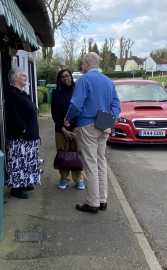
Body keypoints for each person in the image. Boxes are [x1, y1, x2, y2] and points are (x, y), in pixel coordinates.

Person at [64, 52, 121, 213]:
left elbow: (76, 105)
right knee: (101, 162)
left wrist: (67, 119)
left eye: (83, 63)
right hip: (104, 126)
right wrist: (110, 121)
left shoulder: (84, 79)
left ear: (88, 63)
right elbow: (117, 104)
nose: (82, 66)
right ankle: (103, 200)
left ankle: (92, 203)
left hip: (88, 124)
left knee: (90, 164)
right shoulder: (109, 81)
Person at [5, 67, 41, 199]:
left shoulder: (21, 93)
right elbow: (13, 116)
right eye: (23, 75)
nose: (26, 77)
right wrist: (24, 129)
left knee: (26, 162)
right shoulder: (12, 94)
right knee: (18, 162)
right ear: (15, 78)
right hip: (19, 136)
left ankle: (24, 183)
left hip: (28, 136)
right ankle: (16, 188)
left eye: (26, 75)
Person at [51, 69, 84, 190]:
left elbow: (82, 110)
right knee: (62, 153)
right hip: (61, 129)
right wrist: (64, 130)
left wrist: (76, 128)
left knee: (77, 152)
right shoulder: (55, 93)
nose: (65, 79)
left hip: (77, 128)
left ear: (71, 77)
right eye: (62, 77)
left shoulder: (78, 91)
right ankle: (64, 178)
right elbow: (54, 113)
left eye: (67, 76)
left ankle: (79, 179)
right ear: (59, 80)